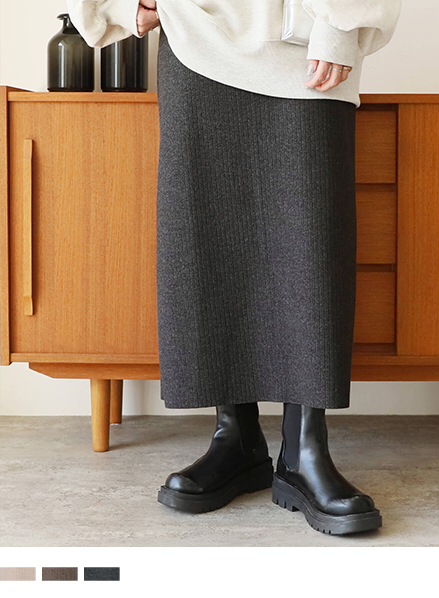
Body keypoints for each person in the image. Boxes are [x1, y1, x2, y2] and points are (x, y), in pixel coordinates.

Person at [66, 0, 402, 536]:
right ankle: (237, 439)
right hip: (196, 38)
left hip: (302, 43)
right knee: (207, 234)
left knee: (311, 240)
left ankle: (304, 452)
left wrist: (342, 28)